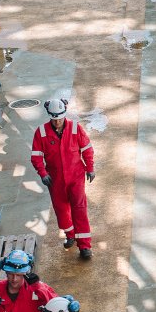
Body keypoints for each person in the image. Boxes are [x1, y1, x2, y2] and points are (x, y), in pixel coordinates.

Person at [31, 97, 96, 260]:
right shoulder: (41, 132)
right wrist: (43, 173)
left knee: (79, 209)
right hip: (55, 179)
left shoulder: (75, 128)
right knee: (61, 210)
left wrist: (90, 168)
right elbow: (36, 156)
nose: (57, 122)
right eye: (54, 119)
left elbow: (87, 149)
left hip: (76, 177)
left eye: (59, 118)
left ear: (64, 114)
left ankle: (85, 246)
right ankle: (70, 235)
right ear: (50, 116)